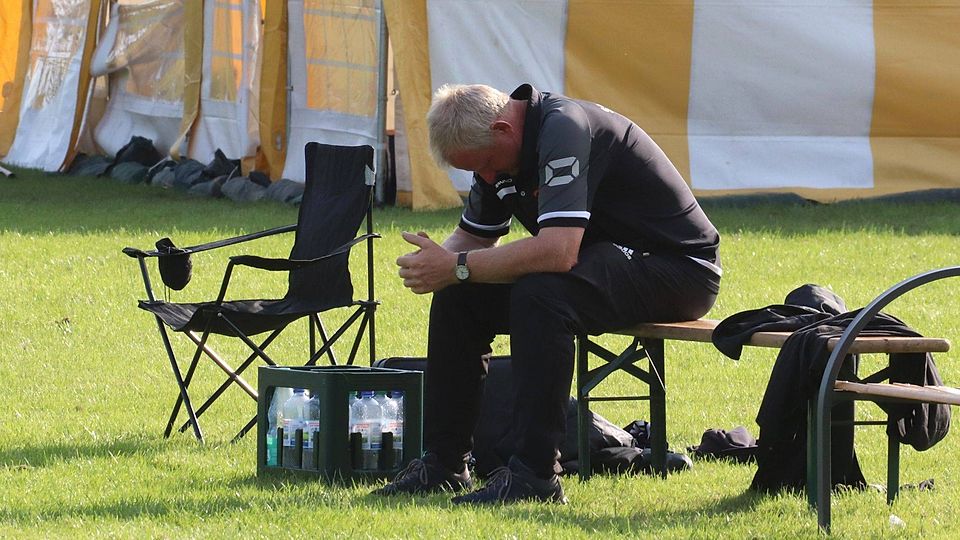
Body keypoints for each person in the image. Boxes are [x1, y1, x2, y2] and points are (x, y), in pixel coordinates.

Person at [377, 83, 722, 504]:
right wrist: (436, 264)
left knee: (539, 294)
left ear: (504, 129)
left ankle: (535, 477)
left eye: (485, 165)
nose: (486, 177)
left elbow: (558, 252)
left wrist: (457, 266)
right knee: (459, 298)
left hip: (678, 269)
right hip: (603, 263)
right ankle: (444, 464)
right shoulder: (497, 148)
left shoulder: (565, 130)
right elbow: (473, 238)